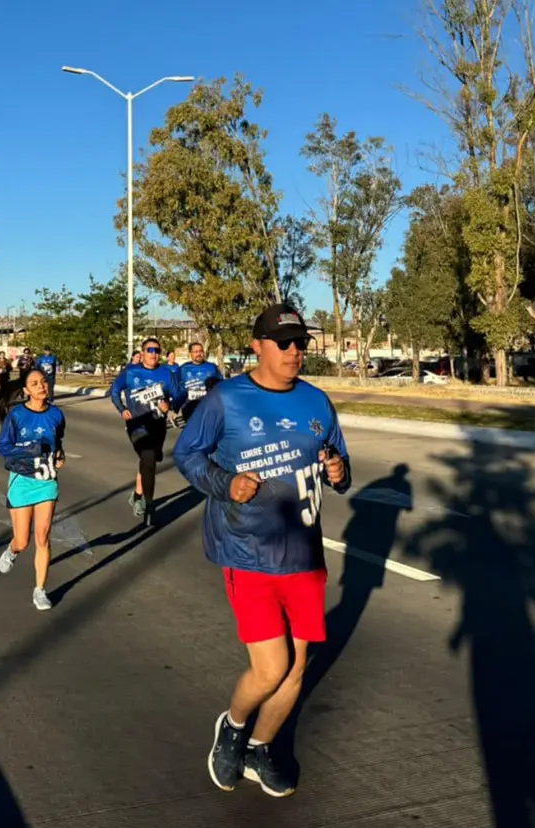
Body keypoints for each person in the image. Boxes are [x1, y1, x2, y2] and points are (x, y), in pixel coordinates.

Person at [172, 303, 350, 799]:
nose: (295, 352)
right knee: (271, 667)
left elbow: (339, 462)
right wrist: (226, 484)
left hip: (304, 554)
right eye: (284, 343)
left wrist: (339, 472)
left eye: (301, 343)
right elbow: (187, 454)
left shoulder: (316, 402)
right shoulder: (226, 400)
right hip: (247, 550)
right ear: (257, 346)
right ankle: (233, 727)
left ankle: (261, 747)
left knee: (295, 668)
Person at [0, 367, 65, 611]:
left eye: (43, 381)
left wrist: (60, 456)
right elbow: (2, 447)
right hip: (22, 480)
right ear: (26, 391)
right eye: (35, 384)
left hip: (46, 480)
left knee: (42, 536)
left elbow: (58, 443)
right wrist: (29, 450)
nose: (41, 386)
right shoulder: (17, 415)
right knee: (23, 541)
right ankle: (12, 551)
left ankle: (40, 590)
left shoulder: (56, 414)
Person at [109, 337, 184, 526]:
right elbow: (115, 390)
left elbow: (180, 394)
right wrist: (122, 409)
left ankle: (137, 495)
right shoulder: (131, 372)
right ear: (142, 353)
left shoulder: (166, 373)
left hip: (158, 426)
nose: (154, 354)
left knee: (149, 461)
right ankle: (150, 505)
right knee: (148, 456)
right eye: (150, 350)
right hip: (137, 425)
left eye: (157, 350)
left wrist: (171, 405)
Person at [176, 342, 223, 425]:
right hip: (190, 409)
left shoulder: (212, 367)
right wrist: (175, 408)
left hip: (208, 409)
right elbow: (177, 389)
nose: (199, 354)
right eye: (196, 352)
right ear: (190, 354)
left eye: (201, 351)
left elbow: (221, 386)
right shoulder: (183, 369)